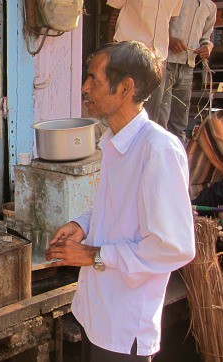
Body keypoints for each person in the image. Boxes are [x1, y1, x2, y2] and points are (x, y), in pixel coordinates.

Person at [45, 41, 195, 360]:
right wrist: (81, 225)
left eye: (93, 79)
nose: (85, 87)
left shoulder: (158, 150)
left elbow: (175, 246)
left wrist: (95, 255)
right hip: (97, 314)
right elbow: (116, 209)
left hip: (124, 328)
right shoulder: (114, 141)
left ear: (125, 88)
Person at [106, 0, 183, 123]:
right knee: (122, 112)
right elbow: (113, 14)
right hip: (129, 55)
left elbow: (167, 19)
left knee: (150, 116)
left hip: (157, 58)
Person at [159, 0, 216, 142]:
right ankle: (158, 159)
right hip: (165, 62)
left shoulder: (210, 7)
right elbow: (156, 24)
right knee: (160, 120)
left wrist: (207, 47)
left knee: (179, 123)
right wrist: (169, 39)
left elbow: (205, 38)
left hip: (187, 67)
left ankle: (178, 160)